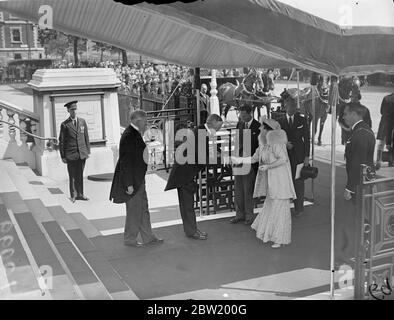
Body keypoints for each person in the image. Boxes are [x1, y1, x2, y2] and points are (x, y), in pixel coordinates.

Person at [229, 117, 296, 248]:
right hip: (271, 180)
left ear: (267, 130)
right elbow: (254, 158)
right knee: (271, 207)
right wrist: (239, 160)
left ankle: (280, 239)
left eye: (262, 127)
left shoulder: (276, 143)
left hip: (281, 179)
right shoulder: (263, 144)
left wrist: (268, 166)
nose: (259, 128)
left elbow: (283, 159)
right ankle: (271, 234)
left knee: (279, 209)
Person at [164, 114, 224, 240]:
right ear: (212, 123)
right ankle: (192, 231)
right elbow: (201, 157)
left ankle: (191, 229)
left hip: (185, 172)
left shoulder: (201, 130)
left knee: (187, 205)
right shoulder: (201, 133)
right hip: (184, 174)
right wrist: (219, 159)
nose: (218, 130)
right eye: (218, 127)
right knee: (188, 205)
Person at [109, 110, 163, 247]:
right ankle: (130, 239)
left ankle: (148, 236)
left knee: (143, 207)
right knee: (134, 210)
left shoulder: (134, 133)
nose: (147, 124)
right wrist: (129, 184)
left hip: (138, 180)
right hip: (132, 182)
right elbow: (125, 162)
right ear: (138, 121)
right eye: (145, 121)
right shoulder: (128, 135)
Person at [338, 102, 376, 264]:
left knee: (361, 220)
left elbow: (357, 164)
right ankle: (362, 253)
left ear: (354, 114)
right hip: (363, 184)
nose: (344, 117)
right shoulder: (362, 130)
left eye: (346, 114)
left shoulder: (360, 134)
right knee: (361, 219)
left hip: (360, 185)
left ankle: (363, 255)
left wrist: (350, 188)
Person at [278, 95, 310, 217]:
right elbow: (276, 138)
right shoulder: (279, 121)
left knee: (298, 182)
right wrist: (285, 144)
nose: (290, 108)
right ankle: (285, 208)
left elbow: (307, 139)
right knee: (285, 181)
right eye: (288, 106)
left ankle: (299, 208)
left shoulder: (302, 120)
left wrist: (307, 156)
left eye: (293, 106)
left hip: (299, 156)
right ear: (284, 106)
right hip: (284, 156)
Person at [230, 104, 260, 225]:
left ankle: (249, 216)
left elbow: (259, 147)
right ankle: (239, 214)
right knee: (238, 190)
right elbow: (236, 143)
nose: (241, 117)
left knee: (248, 190)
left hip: (250, 164)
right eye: (240, 115)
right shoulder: (240, 124)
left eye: (243, 115)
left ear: (250, 113)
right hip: (239, 162)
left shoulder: (258, 127)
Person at [58, 101, 90, 203]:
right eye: (72, 110)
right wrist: (63, 156)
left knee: (80, 174)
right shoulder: (65, 125)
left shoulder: (82, 121)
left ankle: (80, 194)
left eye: (75, 109)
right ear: (68, 111)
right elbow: (62, 141)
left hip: (81, 153)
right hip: (71, 154)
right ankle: (73, 195)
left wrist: (87, 151)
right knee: (72, 176)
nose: (74, 111)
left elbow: (86, 137)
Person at [376, 92, 394, 168]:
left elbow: (381, 111)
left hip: (385, 122)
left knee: (381, 143)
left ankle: (378, 160)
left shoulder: (386, 98)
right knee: (392, 142)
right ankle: (391, 161)